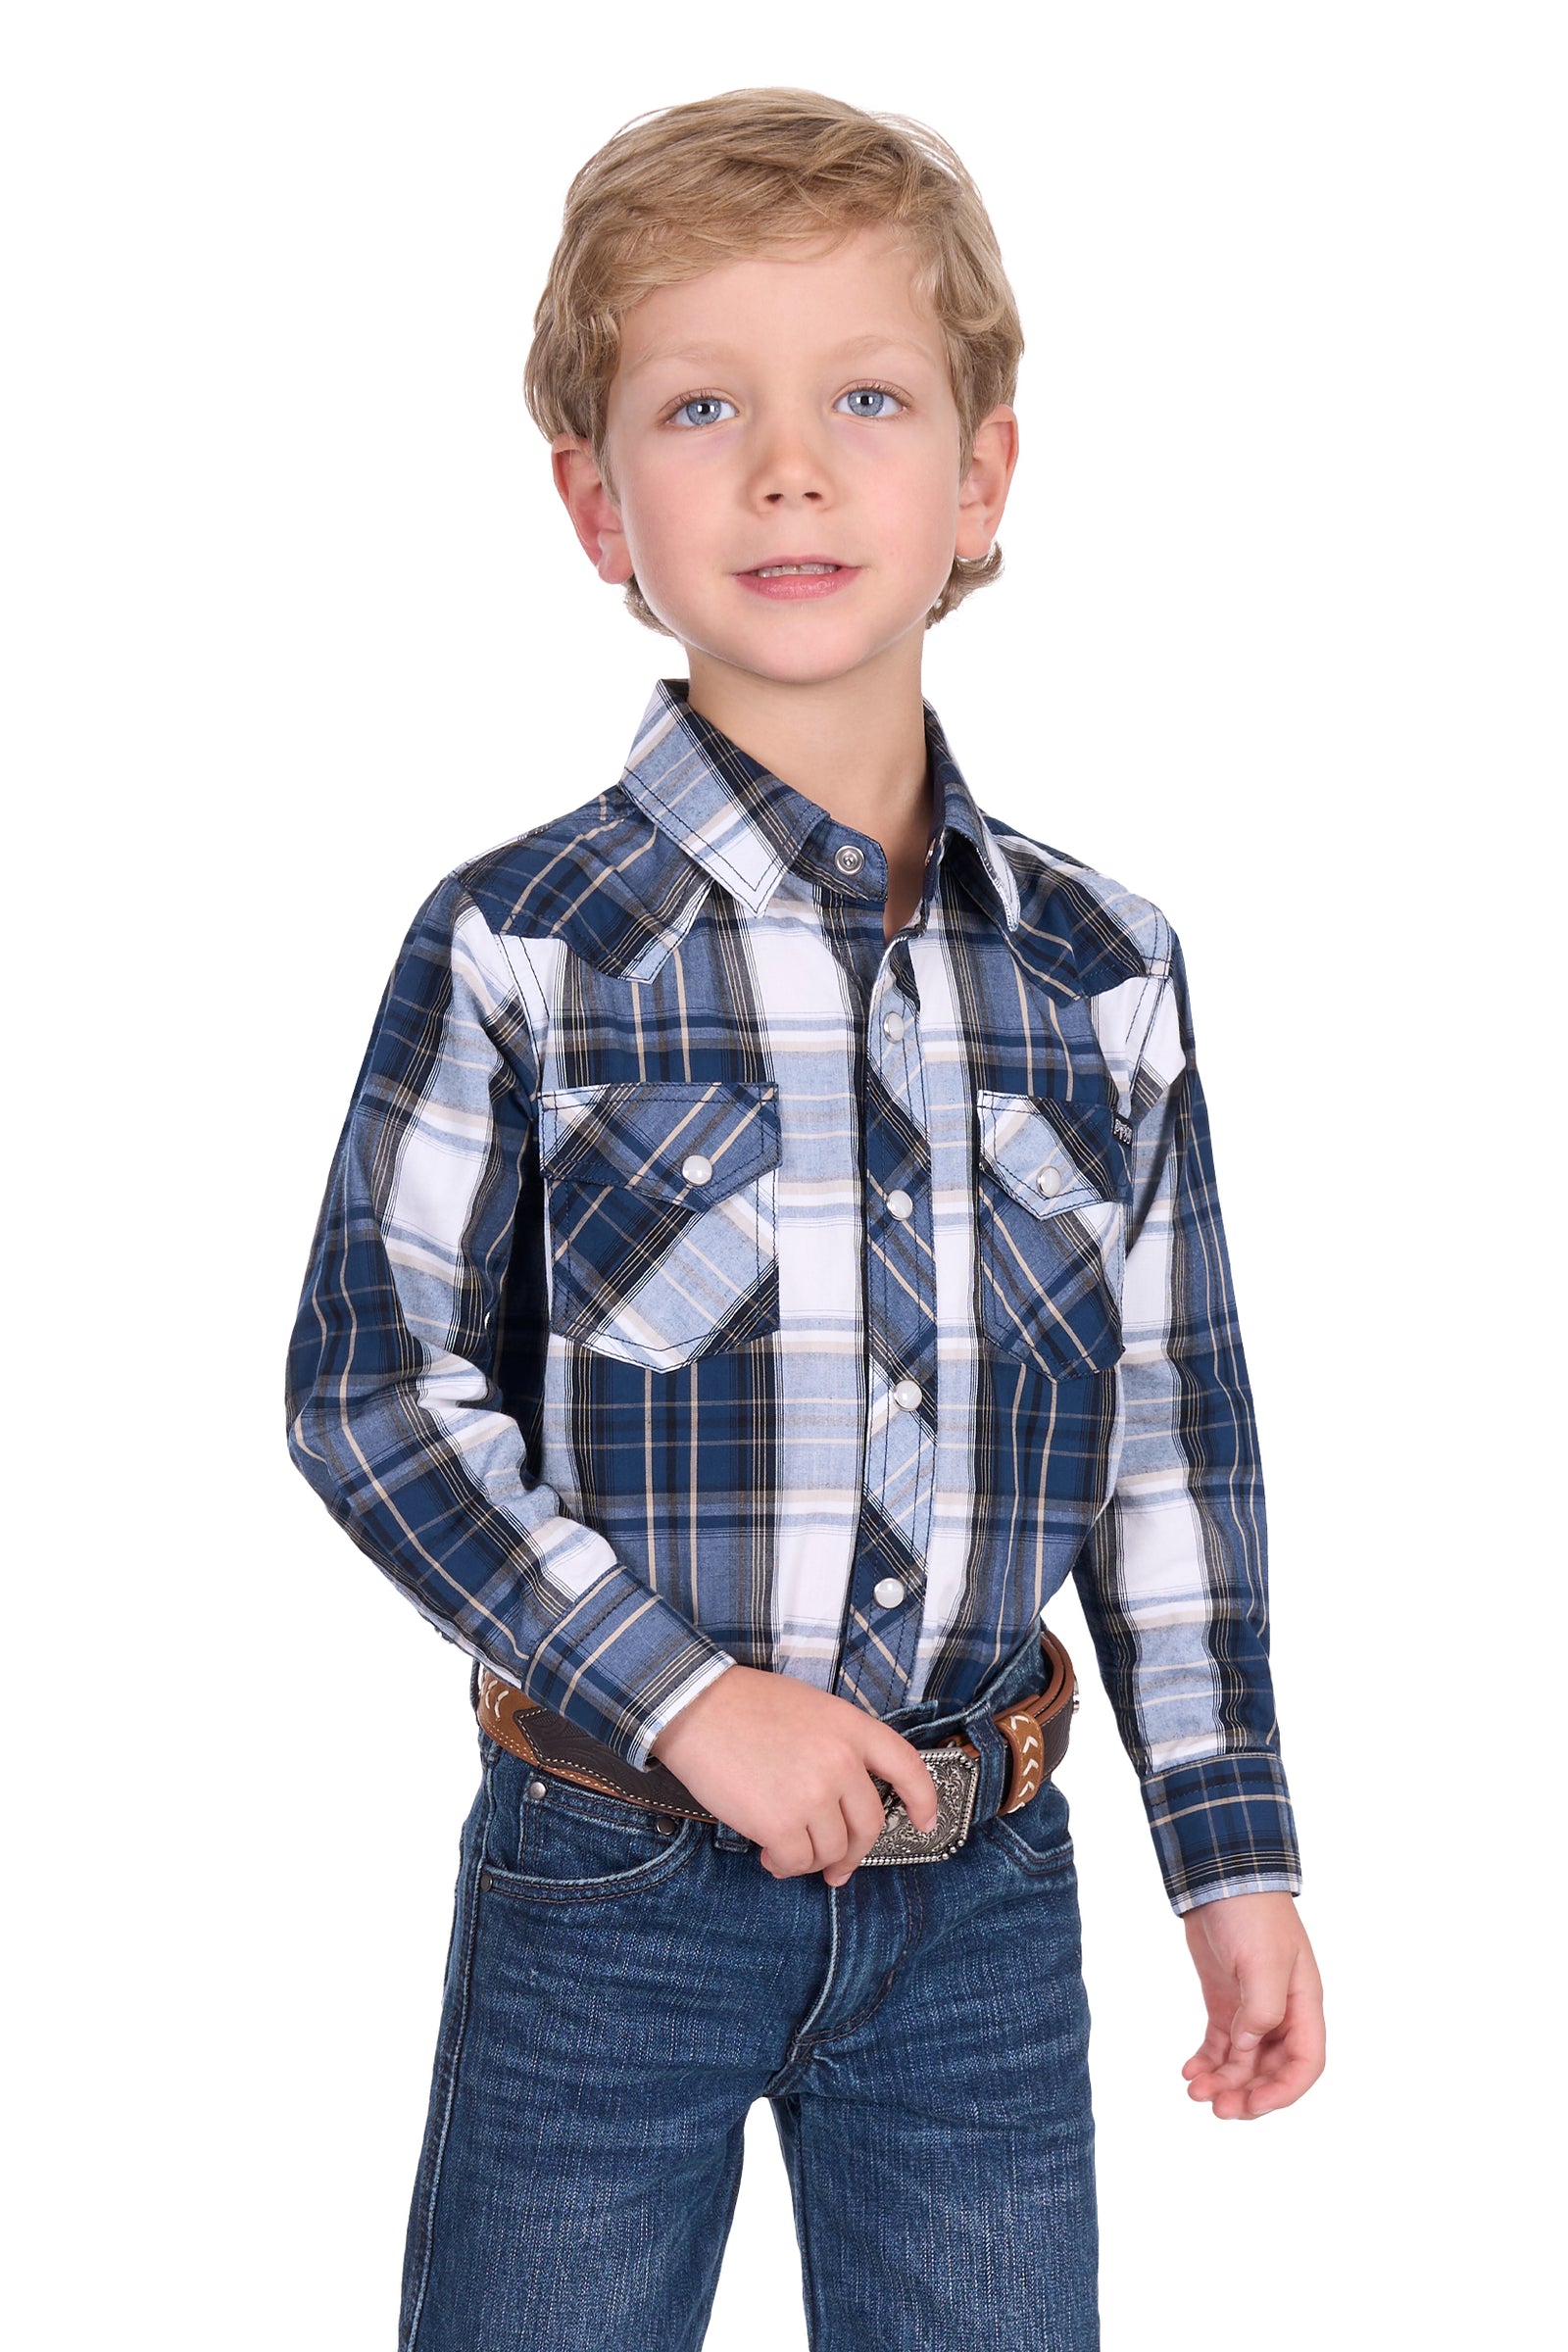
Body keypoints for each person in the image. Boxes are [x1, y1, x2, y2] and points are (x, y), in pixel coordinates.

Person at [285, 85, 1325, 2352]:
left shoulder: (1102, 974)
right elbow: (370, 1394)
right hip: (606, 1888)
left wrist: (1226, 1849)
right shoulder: (522, 945)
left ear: (981, 479)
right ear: (595, 502)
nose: (786, 469)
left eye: (864, 398)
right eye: (699, 408)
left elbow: (1168, 1442)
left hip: (981, 1901)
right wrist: (684, 1702)